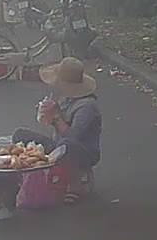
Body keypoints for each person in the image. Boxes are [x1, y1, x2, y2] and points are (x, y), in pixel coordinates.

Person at [12, 57, 101, 204]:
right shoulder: (64, 98)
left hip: (81, 151)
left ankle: (75, 184)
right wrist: (48, 115)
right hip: (59, 145)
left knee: (68, 144)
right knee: (20, 134)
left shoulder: (87, 107)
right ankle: (25, 176)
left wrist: (57, 117)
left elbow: (73, 136)